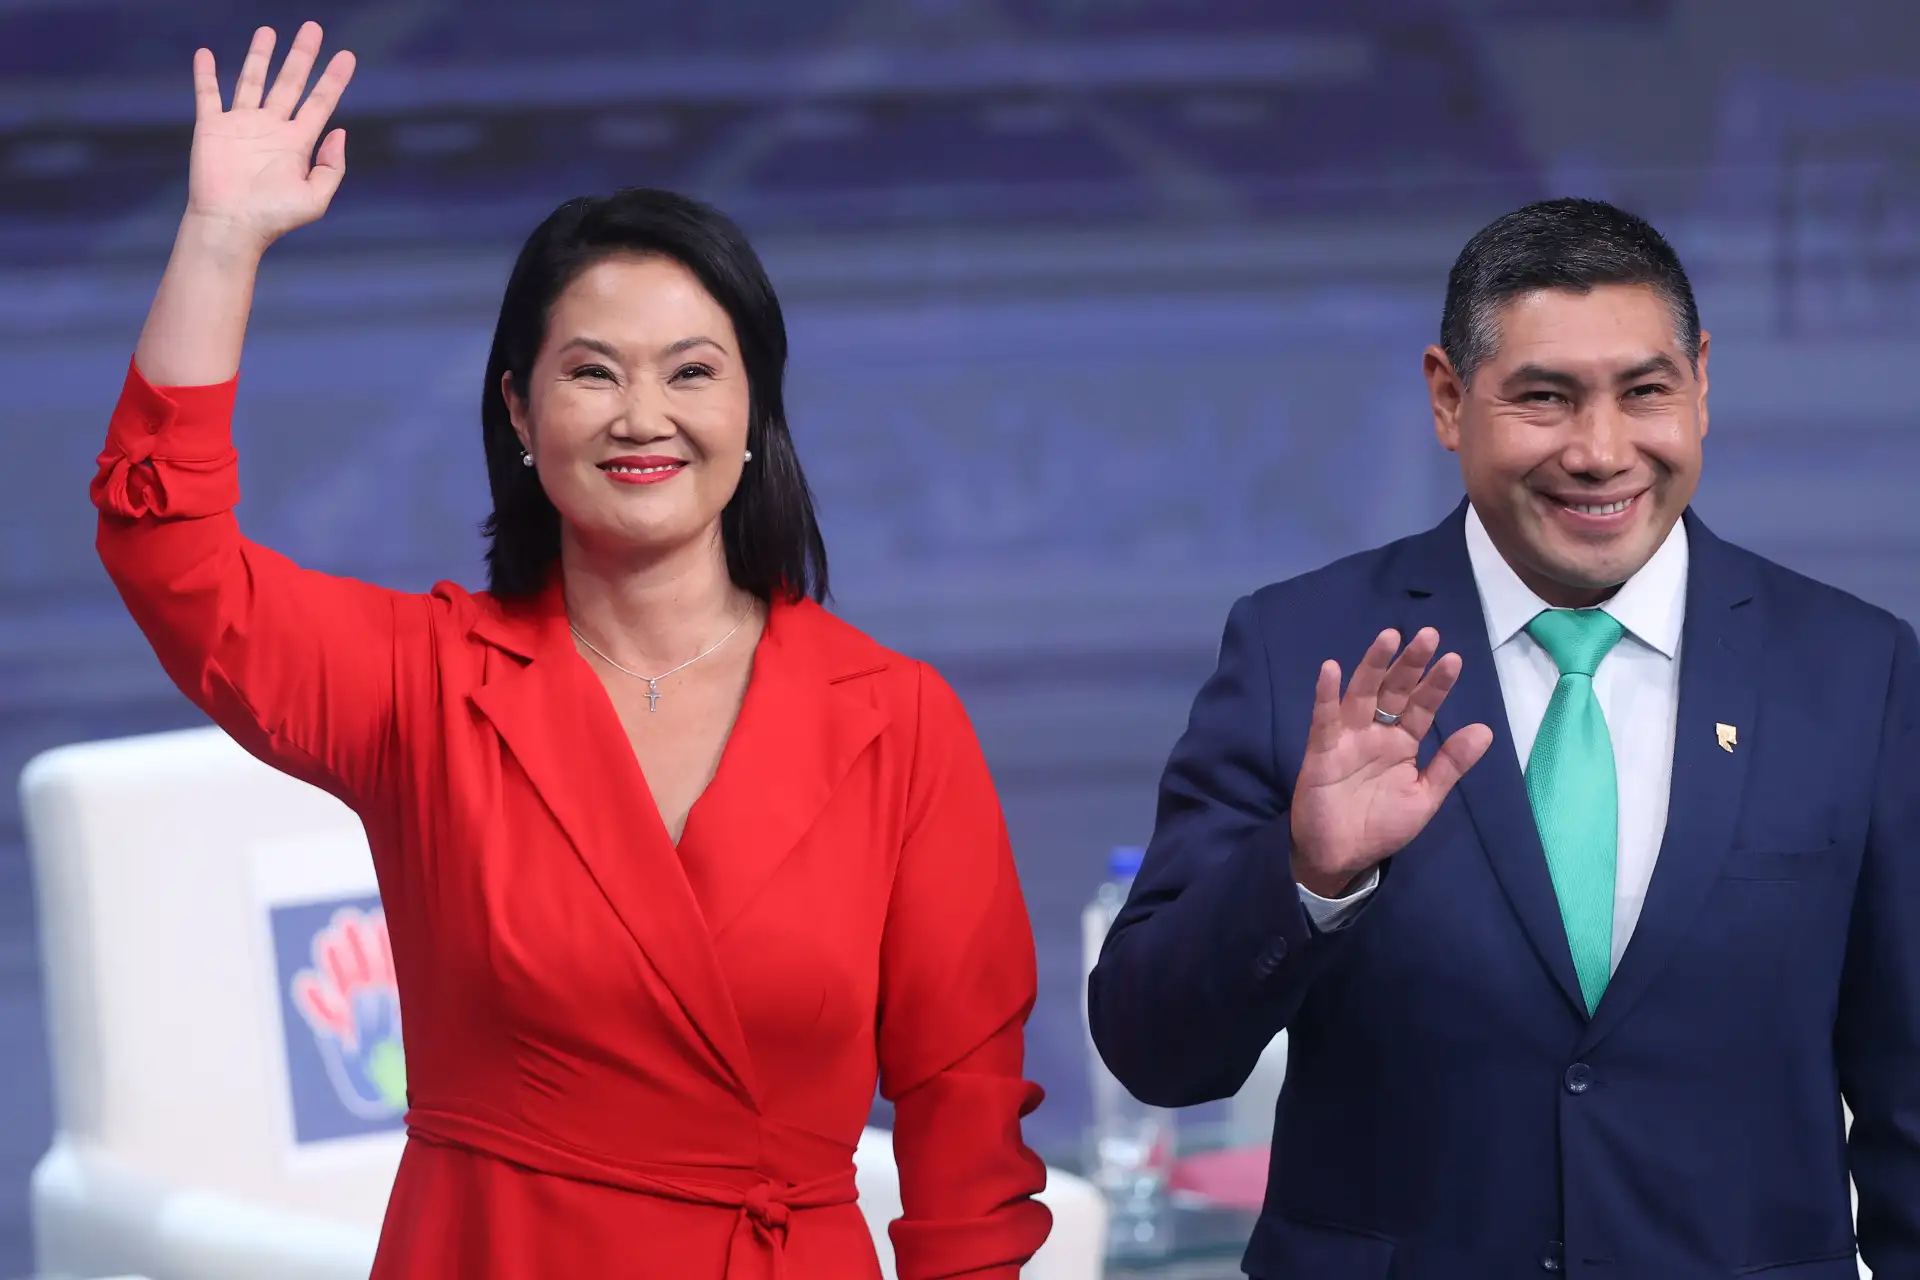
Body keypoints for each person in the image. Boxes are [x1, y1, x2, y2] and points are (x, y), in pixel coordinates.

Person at [94, 22, 1052, 1279]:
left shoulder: (896, 716)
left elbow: (963, 1114)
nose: (642, 416)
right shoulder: (425, 684)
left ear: (753, 409)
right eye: (592, 372)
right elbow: (171, 551)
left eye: (692, 372)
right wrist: (220, 242)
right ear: (518, 410)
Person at [1089, 197, 1920, 1277]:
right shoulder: (1305, 648)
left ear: (1703, 382)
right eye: (1545, 398)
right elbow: (1158, 1049)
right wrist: (1306, 876)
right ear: (1449, 397)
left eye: (1646, 391)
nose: (1600, 450)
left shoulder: (1855, 669)